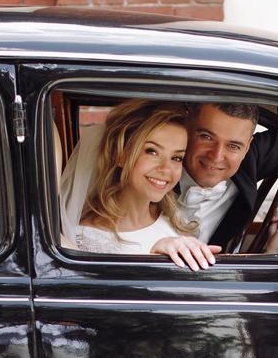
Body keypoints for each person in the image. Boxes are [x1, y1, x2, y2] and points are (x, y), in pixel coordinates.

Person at [70, 100, 223, 270]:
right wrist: (153, 256)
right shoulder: (86, 238)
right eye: (152, 151)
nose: (166, 169)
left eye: (176, 158)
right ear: (121, 154)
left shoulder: (174, 219)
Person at [178, 102, 278, 254]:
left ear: (247, 147)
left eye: (233, 146)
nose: (216, 156)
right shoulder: (157, 168)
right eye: (206, 137)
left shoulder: (249, 159)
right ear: (186, 128)